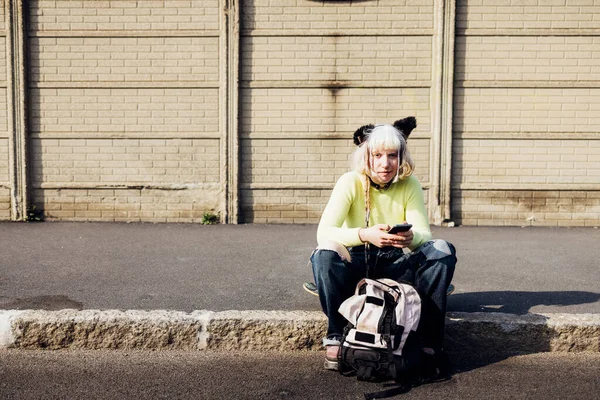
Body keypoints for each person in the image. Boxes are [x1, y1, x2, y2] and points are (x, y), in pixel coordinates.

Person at [310, 117, 457, 373]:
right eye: (377, 155)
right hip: (356, 263)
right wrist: (366, 234)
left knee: (442, 250)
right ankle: (335, 335)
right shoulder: (350, 181)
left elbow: (424, 233)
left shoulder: (409, 183)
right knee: (324, 254)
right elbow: (325, 232)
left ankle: (428, 342)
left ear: (401, 157)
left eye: (392, 155)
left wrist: (411, 239)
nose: (384, 163)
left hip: (396, 262)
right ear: (365, 156)